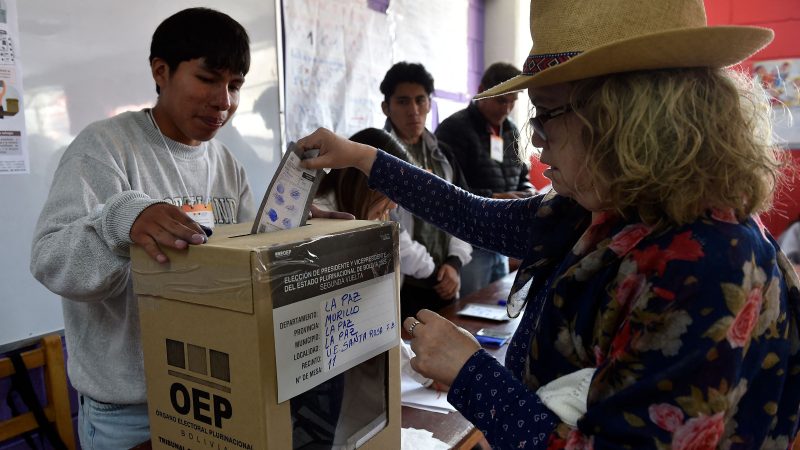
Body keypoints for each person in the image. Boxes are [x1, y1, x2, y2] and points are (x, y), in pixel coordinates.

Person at [296, 0, 800, 447]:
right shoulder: (603, 209)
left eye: (546, 114)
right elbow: (470, 212)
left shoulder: (707, 265)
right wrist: (361, 157)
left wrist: (470, 373)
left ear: (624, 118)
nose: (535, 140)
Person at [378, 62, 472, 318]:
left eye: (420, 100)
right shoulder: (378, 158)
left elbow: (462, 212)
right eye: (403, 102)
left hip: (446, 280)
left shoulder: (443, 155)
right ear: (386, 107)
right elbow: (388, 228)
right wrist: (434, 275)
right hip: (402, 285)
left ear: (430, 103)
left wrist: (454, 264)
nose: (414, 110)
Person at [435, 62, 535, 296]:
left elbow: (522, 176)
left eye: (513, 101)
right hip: (469, 243)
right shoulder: (454, 129)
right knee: (470, 306)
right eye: (501, 101)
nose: (507, 109)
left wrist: (527, 194)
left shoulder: (511, 130)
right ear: (482, 91)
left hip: (500, 239)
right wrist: (496, 198)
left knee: (495, 305)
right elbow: (447, 190)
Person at [314, 127, 435, 279]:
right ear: (362, 181)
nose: (394, 205)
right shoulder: (317, 223)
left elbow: (421, 264)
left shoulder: (374, 217)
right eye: (391, 191)